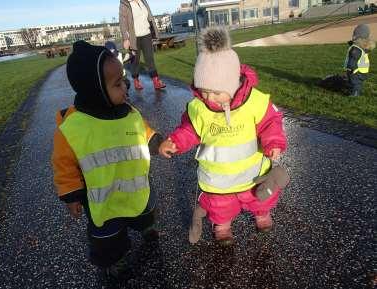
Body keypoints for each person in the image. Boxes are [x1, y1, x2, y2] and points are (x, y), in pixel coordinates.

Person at [159, 27, 287, 246]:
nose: (210, 98)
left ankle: (262, 214)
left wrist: (274, 142)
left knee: (259, 197)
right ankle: (223, 225)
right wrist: (176, 142)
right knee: (220, 205)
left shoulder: (254, 102)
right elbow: (190, 130)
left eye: (216, 92)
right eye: (205, 91)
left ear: (233, 83)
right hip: (218, 180)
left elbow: (271, 122)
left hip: (252, 173)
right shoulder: (199, 107)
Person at [52, 40, 163, 280]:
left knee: (144, 210)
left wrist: (157, 142)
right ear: (96, 90)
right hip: (102, 199)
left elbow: (142, 131)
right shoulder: (73, 128)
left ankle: (146, 227)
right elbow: (64, 165)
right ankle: (116, 260)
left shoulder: (128, 112)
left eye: (123, 80)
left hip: (136, 188)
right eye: (117, 84)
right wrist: (71, 194)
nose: (125, 87)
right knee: (108, 236)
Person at [119, 0, 166, 90]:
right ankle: (136, 80)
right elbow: (122, 22)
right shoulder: (124, 4)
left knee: (149, 58)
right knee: (135, 60)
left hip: (146, 34)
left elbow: (150, 16)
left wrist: (154, 30)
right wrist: (125, 39)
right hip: (134, 37)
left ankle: (156, 81)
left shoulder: (143, 1)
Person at [344, 24, 375, 97]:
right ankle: (355, 89)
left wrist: (350, 68)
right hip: (363, 71)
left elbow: (353, 59)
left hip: (355, 71)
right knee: (358, 82)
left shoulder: (355, 49)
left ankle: (355, 93)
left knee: (355, 82)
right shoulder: (363, 47)